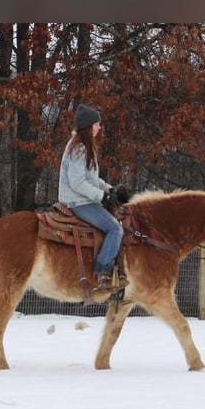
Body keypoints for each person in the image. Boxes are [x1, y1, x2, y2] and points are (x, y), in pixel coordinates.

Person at [58, 104, 130, 292]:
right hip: (78, 201)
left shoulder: (84, 147)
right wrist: (103, 196)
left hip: (84, 199)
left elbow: (91, 178)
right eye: (97, 124)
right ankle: (103, 274)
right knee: (115, 229)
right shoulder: (79, 149)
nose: (99, 128)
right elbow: (78, 183)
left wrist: (110, 189)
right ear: (89, 126)